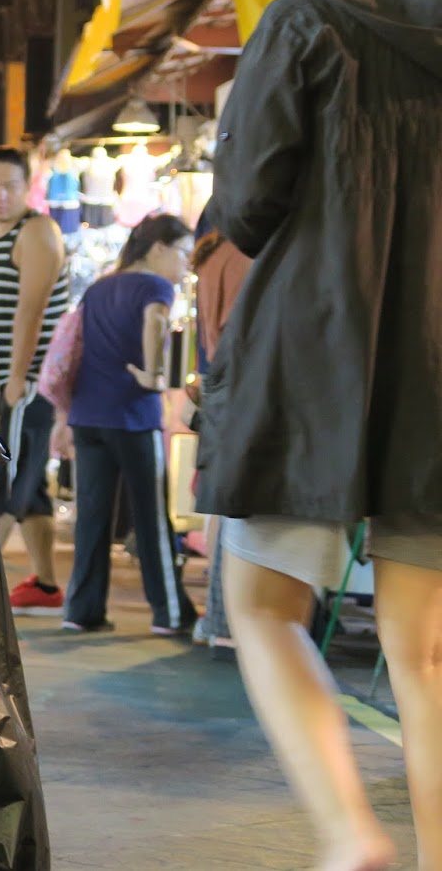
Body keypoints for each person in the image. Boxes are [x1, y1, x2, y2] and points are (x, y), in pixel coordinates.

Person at [197, 0, 442, 870]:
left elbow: (249, 204)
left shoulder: (303, 20)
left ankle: (350, 833)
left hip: (314, 359)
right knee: (424, 654)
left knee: (260, 605)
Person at [58, 213, 197, 635]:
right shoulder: (155, 287)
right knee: (151, 517)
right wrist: (154, 375)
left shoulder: (99, 287)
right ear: (159, 248)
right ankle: (170, 614)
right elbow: (155, 321)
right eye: (184, 253)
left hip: (88, 415)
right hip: (133, 415)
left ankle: (81, 611)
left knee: (92, 517)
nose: (186, 264)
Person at [0, 147, 71, 611]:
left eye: (10, 185)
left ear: (28, 187)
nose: (0, 194)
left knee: (7, 480)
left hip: (28, 383)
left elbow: (31, 313)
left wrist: (16, 380)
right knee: (31, 485)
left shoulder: (38, 231)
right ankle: (46, 586)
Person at [187, 223, 253, 653]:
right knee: (244, 514)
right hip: (245, 388)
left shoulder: (215, 253)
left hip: (222, 386)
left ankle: (220, 618)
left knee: (227, 509)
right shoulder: (245, 254)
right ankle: (229, 620)